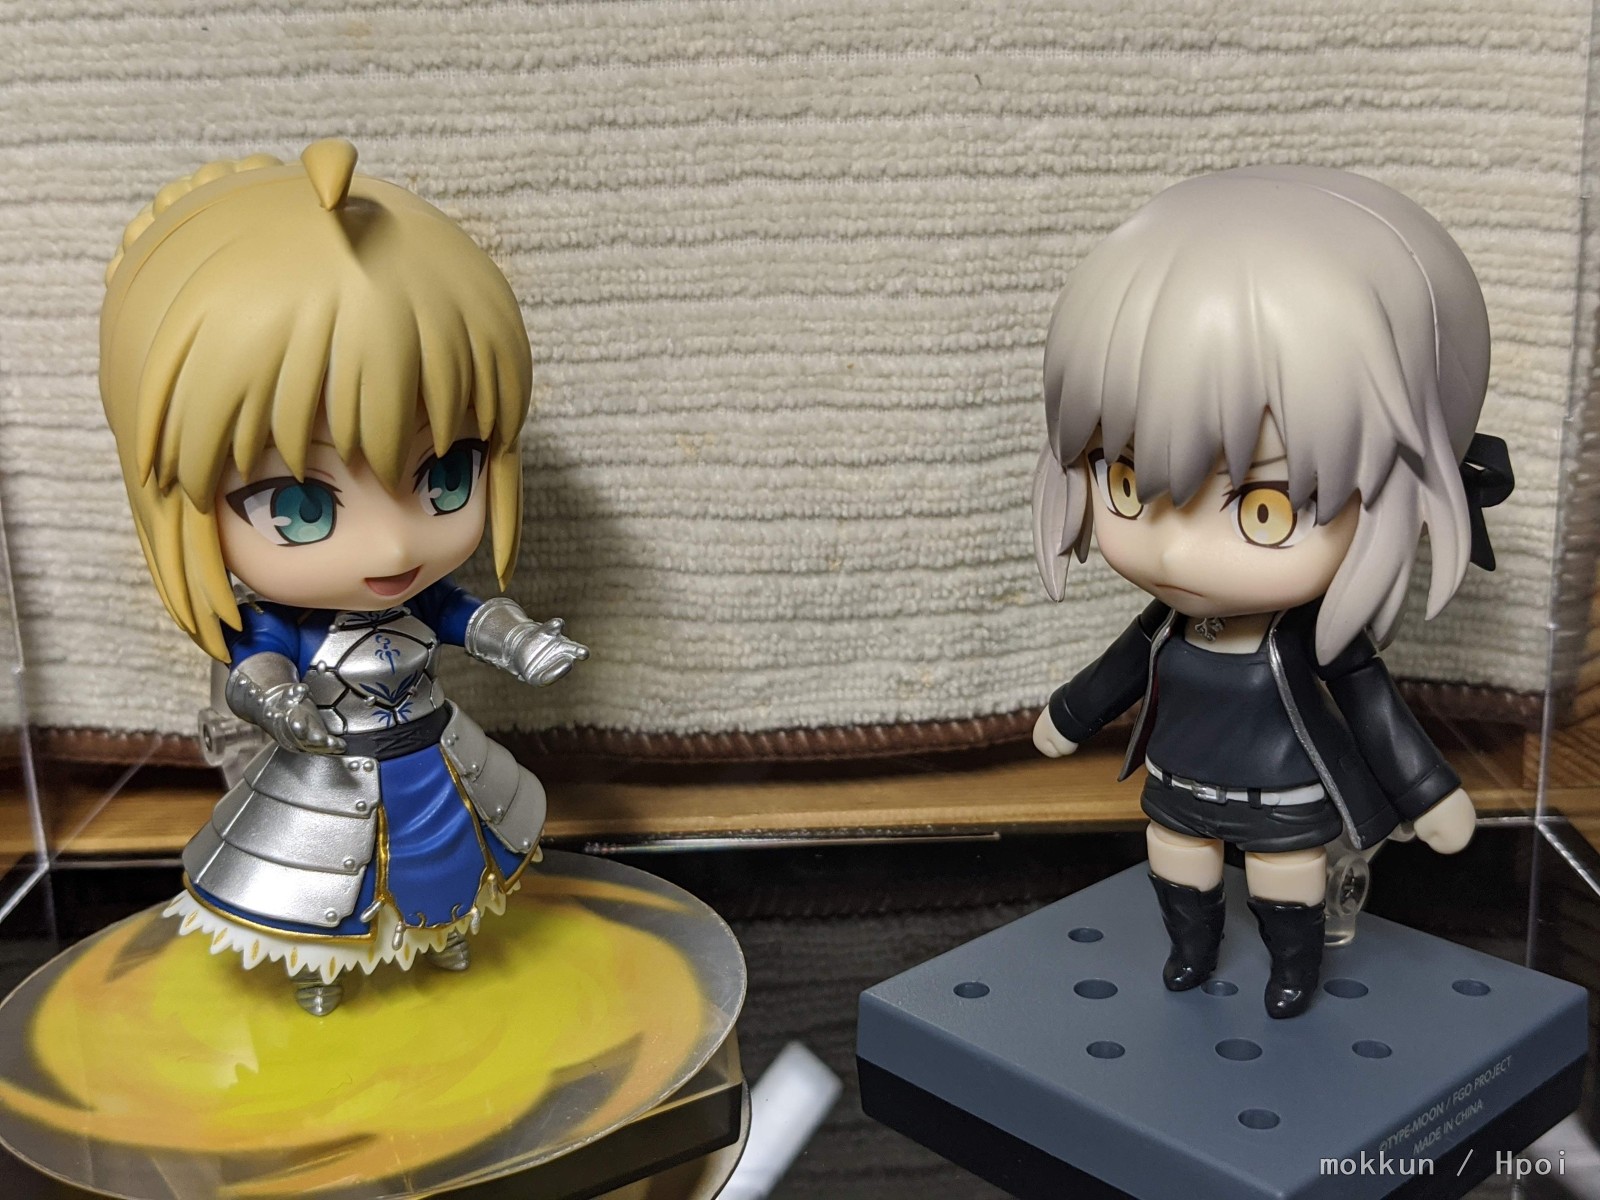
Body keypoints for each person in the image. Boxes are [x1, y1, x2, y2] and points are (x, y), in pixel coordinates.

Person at [99, 139, 587, 1015]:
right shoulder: (282, 622)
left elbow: (461, 614)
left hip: (430, 755)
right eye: (301, 507)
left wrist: (520, 643)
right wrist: (279, 702)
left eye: (445, 477)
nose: (391, 547)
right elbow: (255, 667)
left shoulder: (419, 596)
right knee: (318, 882)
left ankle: (447, 936)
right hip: (327, 775)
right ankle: (316, 970)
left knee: (459, 853)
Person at [1030, 166, 1513, 1018]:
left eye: (1265, 508)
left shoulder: (1310, 640)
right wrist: (1070, 716)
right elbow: (1119, 671)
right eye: (1127, 482)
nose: (1176, 547)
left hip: (1283, 791)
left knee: (1286, 878)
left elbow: (1374, 711)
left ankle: (1292, 967)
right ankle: (1190, 948)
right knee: (1177, 857)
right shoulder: (1168, 627)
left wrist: (1428, 792)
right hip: (1181, 778)